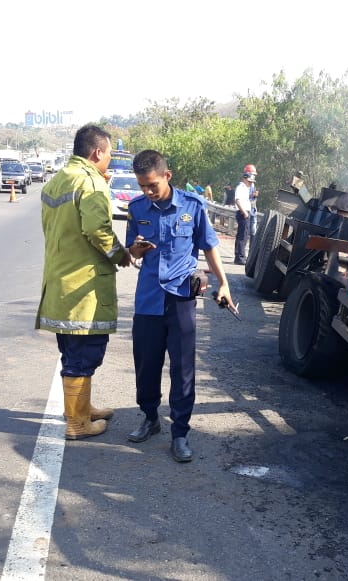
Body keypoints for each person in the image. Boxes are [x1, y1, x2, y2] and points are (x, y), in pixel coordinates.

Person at [125, 149, 235, 462]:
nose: (147, 191)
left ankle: (181, 433)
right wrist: (137, 248)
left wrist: (224, 284)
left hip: (181, 300)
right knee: (146, 365)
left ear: (167, 176)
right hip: (148, 299)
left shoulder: (193, 206)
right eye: (142, 186)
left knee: (183, 368)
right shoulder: (137, 208)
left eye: (152, 185)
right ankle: (150, 418)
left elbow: (210, 247)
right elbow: (131, 251)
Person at [36, 124, 131, 440]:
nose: (108, 163)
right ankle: (77, 424)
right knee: (84, 354)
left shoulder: (57, 181)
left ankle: (80, 409)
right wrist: (122, 255)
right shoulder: (91, 183)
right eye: (108, 156)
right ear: (97, 152)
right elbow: (97, 231)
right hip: (82, 289)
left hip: (60, 283)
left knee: (72, 351)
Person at [233, 165, 257, 264]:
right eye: (250, 181)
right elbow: (237, 200)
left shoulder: (246, 188)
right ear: (246, 177)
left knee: (244, 235)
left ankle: (240, 256)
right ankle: (240, 258)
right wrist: (244, 212)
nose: (251, 183)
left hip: (245, 213)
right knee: (242, 236)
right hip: (243, 213)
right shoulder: (241, 187)